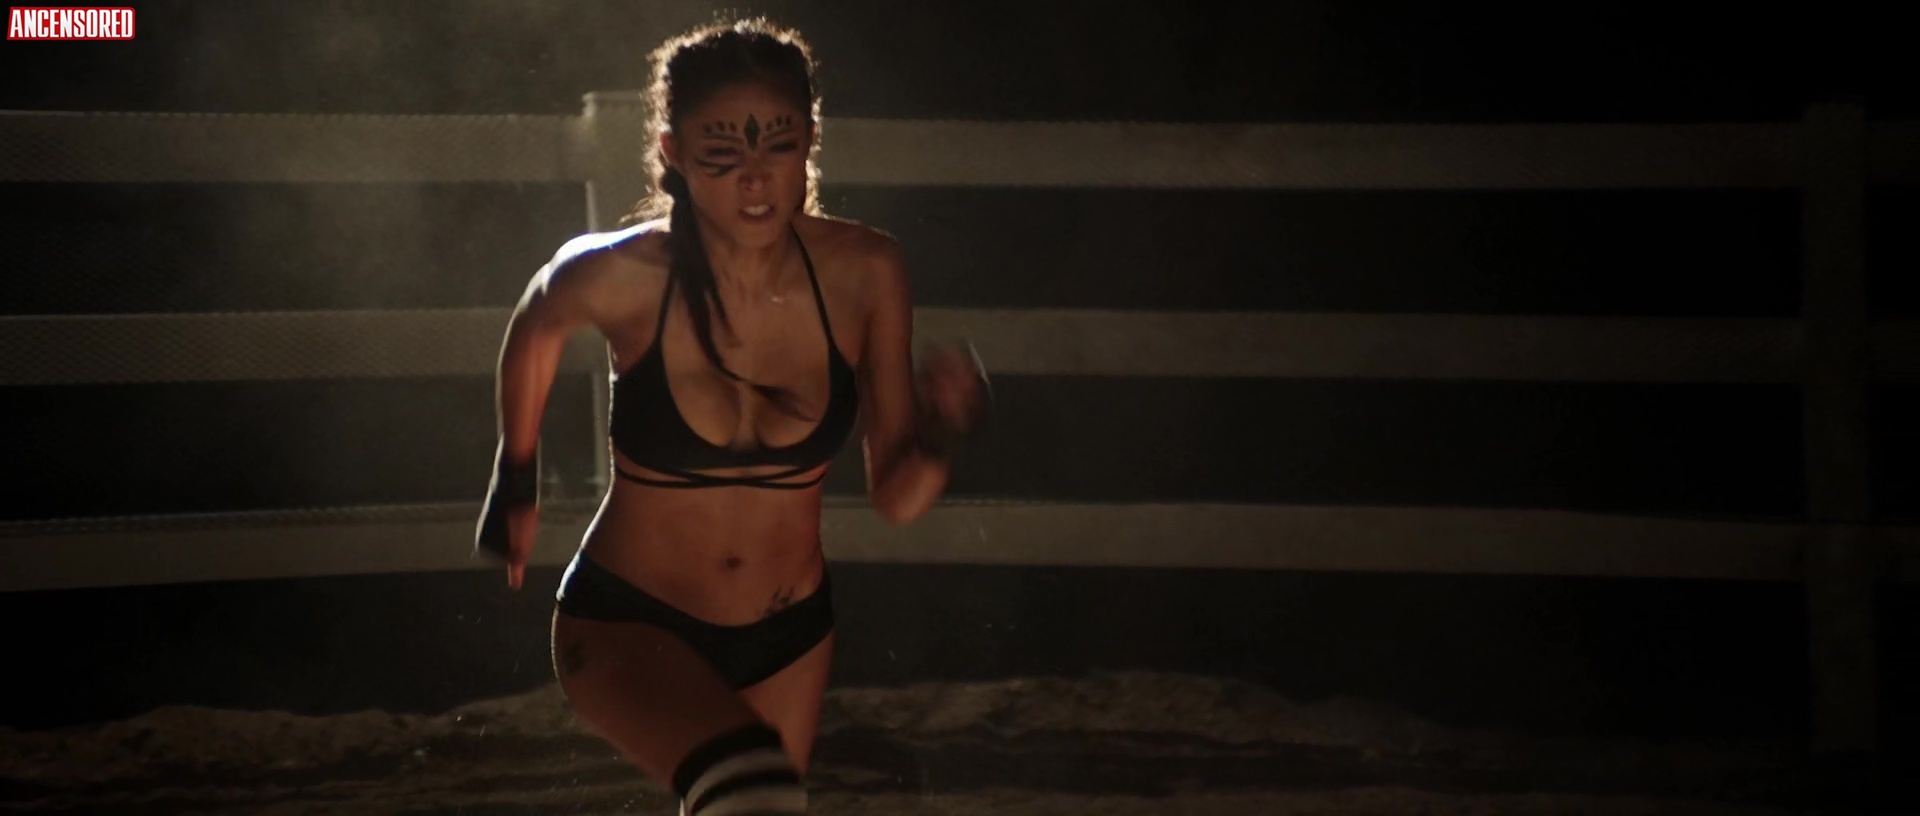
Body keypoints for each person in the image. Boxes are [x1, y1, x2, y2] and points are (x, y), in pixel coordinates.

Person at [472, 17, 985, 816]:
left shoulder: (865, 272)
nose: (754, 179)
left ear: (810, 140)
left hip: (790, 637)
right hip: (630, 619)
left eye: (778, 146)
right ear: (673, 152)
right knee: (755, 789)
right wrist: (515, 469)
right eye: (722, 152)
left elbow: (896, 498)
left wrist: (943, 431)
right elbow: (539, 316)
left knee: (753, 803)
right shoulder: (625, 274)